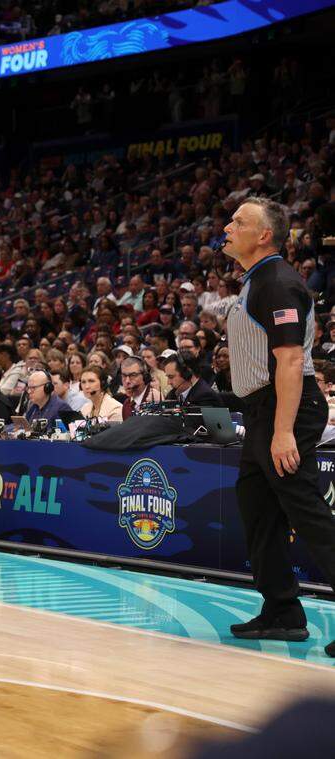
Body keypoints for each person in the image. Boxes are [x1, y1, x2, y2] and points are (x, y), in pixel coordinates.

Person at [221, 196, 335, 657]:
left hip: (285, 408)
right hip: (263, 410)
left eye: (238, 221)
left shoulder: (277, 283)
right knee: (256, 506)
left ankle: (285, 610)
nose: (228, 226)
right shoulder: (257, 281)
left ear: (263, 235)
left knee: (307, 511)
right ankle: (283, 612)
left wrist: (283, 431)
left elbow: (289, 359)